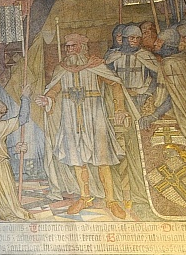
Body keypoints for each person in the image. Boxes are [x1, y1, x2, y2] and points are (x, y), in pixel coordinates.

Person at [36, 33, 128, 219]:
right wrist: (48, 99)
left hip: (95, 118)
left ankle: (111, 201)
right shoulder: (62, 68)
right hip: (71, 119)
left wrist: (119, 108)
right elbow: (55, 89)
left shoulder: (96, 65)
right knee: (78, 160)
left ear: (82, 47)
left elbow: (115, 84)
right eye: (67, 47)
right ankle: (85, 198)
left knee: (102, 159)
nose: (69, 50)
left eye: (73, 46)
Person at [141, 27, 186, 210]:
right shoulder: (184, 60)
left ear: (168, 45)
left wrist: (154, 114)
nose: (155, 44)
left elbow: (170, 97)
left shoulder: (168, 65)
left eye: (159, 42)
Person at [104, 24, 160, 209]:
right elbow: (106, 80)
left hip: (139, 103)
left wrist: (146, 93)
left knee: (138, 147)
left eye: (137, 38)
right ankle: (121, 193)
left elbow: (156, 78)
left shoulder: (145, 56)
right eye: (131, 38)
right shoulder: (113, 57)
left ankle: (140, 191)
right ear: (124, 39)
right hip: (118, 105)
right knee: (119, 147)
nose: (134, 41)